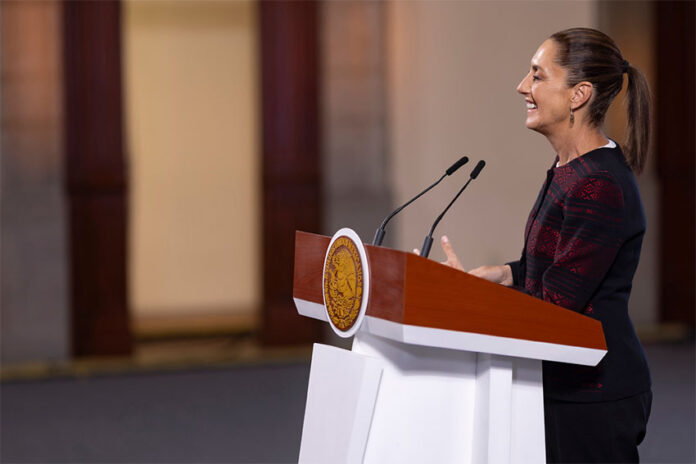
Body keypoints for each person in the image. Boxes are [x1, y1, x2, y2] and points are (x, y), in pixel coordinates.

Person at [438, 28, 653, 463]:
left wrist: (472, 304)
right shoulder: (571, 167)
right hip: (564, 383)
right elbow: (557, 264)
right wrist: (501, 274)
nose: (523, 86)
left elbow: (555, 306)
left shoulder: (598, 184)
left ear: (579, 94)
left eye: (537, 75)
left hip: (593, 395)